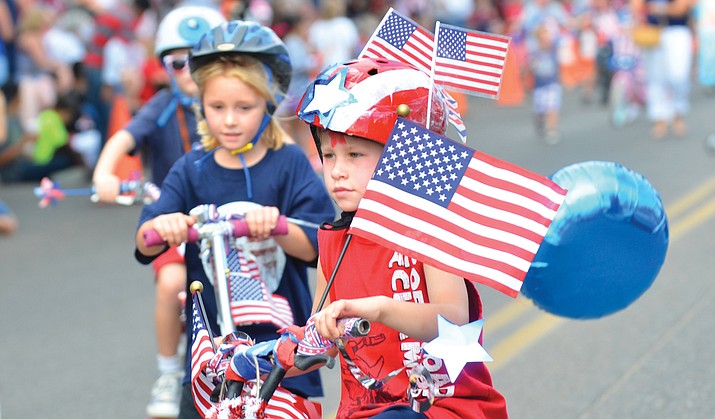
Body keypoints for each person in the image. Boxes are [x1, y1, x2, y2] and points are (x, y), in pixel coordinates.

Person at [134, 20, 335, 419]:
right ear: (201, 106)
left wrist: (278, 225)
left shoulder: (288, 164)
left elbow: (319, 243)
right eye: (217, 107)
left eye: (244, 108)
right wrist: (166, 227)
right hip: (210, 356)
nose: (229, 120)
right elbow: (144, 240)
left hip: (281, 353)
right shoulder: (192, 169)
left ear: (269, 104)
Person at [293, 57, 509, 418]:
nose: (336, 171)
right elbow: (317, 341)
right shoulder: (333, 239)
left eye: (354, 154)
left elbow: (454, 319)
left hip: (444, 406)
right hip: (365, 410)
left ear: (402, 156)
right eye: (329, 155)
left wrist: (381, 309)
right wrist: (247, 355)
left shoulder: (429, 228)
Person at [92, 6, 227, 418]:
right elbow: (123, 138)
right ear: (165, 68)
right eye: (177, 61)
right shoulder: (165, 105)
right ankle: (169, 372)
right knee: (171, 283)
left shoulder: (226, 104)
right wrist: (104, 174)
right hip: (173, 220)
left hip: (226, 220)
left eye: (200, 60)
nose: (189, 70)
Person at [630, 0, 696, 139]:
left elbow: (681, 8)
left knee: (679, 75)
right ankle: (660, 118)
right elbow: (636, 6)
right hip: (652, 31)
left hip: (677, 30)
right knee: (655, 77)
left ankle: (678, 113)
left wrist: (657, 8)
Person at [528, 22, 562, 144]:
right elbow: (528, 67)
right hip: (539, 86)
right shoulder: (535, 51)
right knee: (540, 110)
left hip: (552, 83)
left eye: (547, 34)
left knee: (552, 107)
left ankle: (552, 130)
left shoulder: (554, 48)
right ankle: (539, 121)